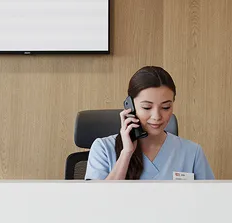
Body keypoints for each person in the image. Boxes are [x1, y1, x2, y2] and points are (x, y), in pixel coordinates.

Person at [85, 66, 214, 181]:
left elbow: (210, 201)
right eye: (147, 107)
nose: (157, 116)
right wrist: (126, 153)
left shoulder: (192, 152)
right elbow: (98, 202)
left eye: (166, 107)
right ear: (130, 106)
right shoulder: (103, 148)